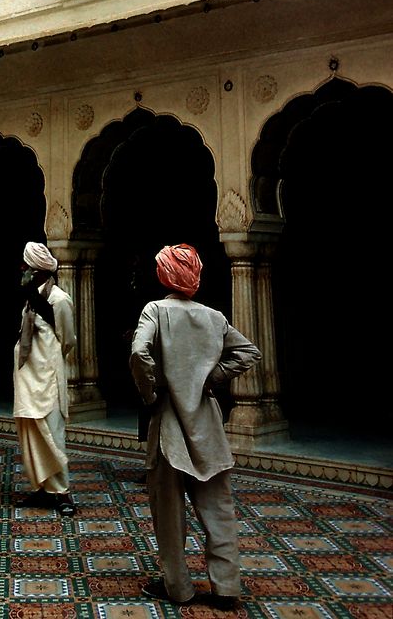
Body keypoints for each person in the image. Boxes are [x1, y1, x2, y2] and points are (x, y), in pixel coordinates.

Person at [130, 243, 262, 610]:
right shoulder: (213, 317)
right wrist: (211, 378)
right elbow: (249, 352)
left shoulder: (154, 311)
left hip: (169, 425)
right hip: (207, 425)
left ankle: (179, 588)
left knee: (169, 516)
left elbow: (139, 352)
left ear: (164, 275)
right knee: (218, 510)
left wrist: (151, 392)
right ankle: (227, 588)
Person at [13, 241, 77, 516]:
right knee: (32, 432)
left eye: (26, 265)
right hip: (28, 377)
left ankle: (62, 493)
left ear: (37, 270)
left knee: (52, 433)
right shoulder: (30, 298)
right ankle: (42, 487)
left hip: (47, 377)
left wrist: (48, 360)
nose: (22, 269)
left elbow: (67, 340)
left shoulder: (59, 300)